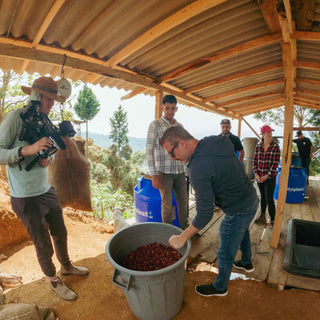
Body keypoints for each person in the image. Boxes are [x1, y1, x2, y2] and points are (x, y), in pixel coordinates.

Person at [0, 76, 89, 301]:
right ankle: (53, 280)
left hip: (45, 190)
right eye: (50, 99)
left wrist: (45, 160)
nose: (52, 104)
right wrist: (26, 151)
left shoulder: (41, 121)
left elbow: (43, 151)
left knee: (60, 232)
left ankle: (66, 266)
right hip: (25, 196)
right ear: (37, 96)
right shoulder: (15, 118)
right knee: (42, 243)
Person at [159, 126, 258, 297]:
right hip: (251, 197)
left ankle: (220, 288)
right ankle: (247, 263)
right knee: (242, 231)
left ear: (182, 143)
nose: (173, 158)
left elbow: (205, 214)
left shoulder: (197, 169)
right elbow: (227, 150)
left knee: (225, 251)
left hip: (237, 209)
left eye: (172, 153)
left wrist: (182, 237)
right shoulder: (216, 140)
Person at [146, 95, 188, 230]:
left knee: (184, 201)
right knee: (167, 203)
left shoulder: (180, 126)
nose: (170, 111)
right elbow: (149, 149)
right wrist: (154, 175)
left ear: (176, 108)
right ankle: (168, 231)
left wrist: (187, 169)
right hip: (163, 172)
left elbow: (184, 148)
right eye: (167, 108)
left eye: (172, 108)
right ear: (162, 107)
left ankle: (185, 229)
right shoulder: (155, 125)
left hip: (180, 171)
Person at [253, 125, 280, 226]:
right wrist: (256, 174)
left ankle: (273, 219)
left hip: (270, 177)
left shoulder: (275, 147)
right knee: (263, 197)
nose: (270, 134)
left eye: (271, 132)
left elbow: (275, 164)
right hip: (259, 177)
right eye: (268, 132)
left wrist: (266, 176)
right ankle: (262, 215)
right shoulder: (258, 146)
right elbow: (254, 161)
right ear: (263, 134)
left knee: (269, 197)